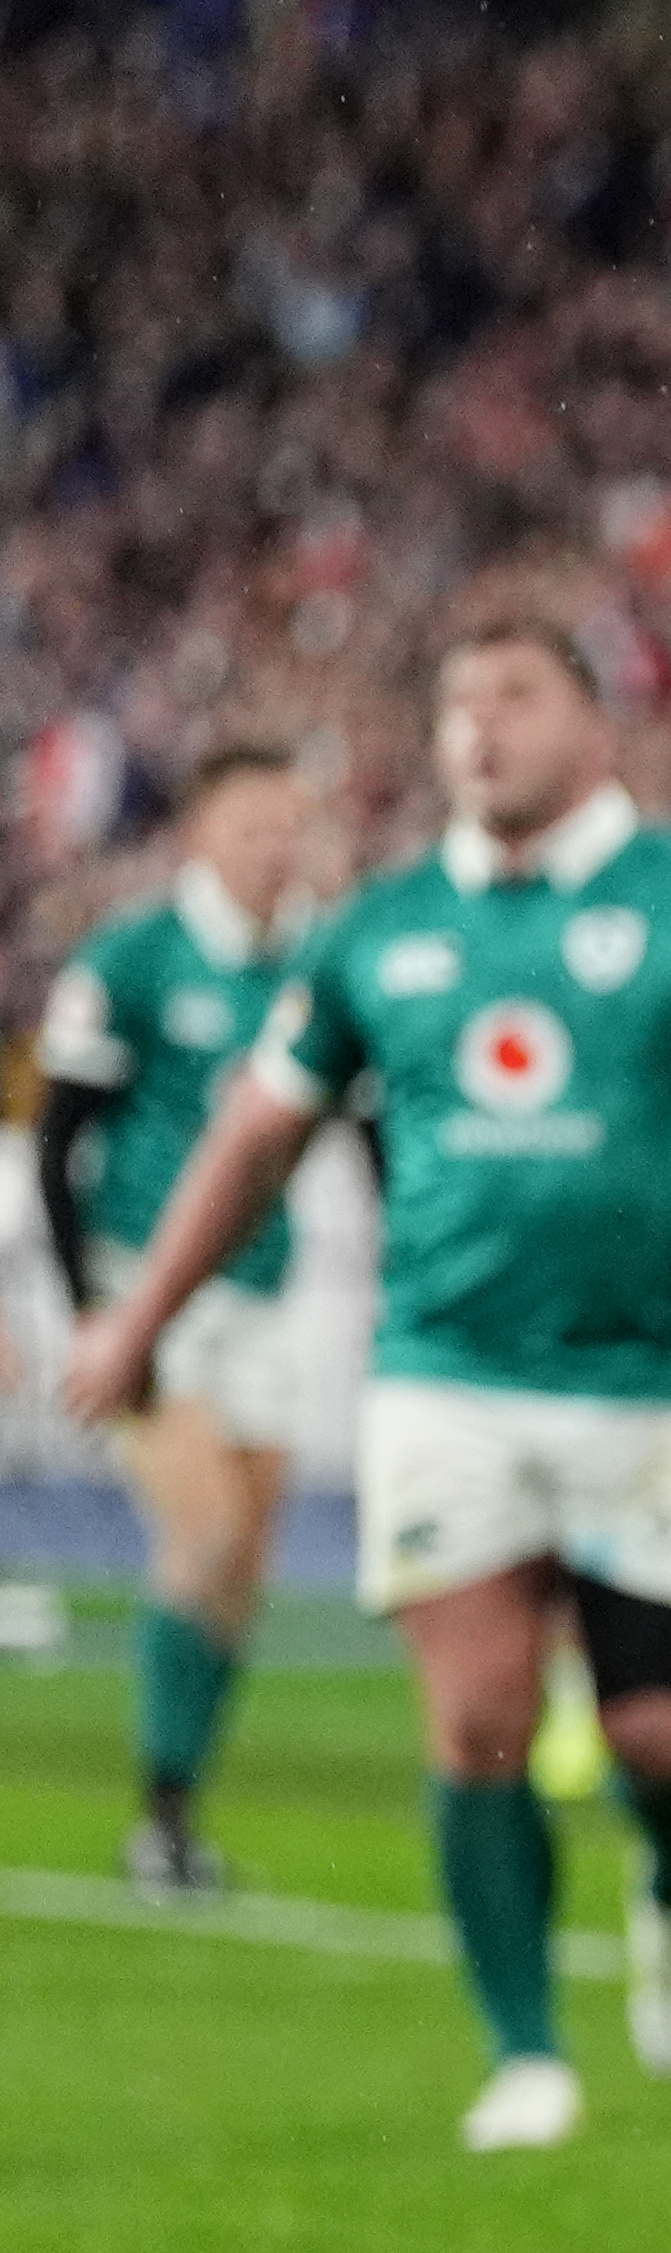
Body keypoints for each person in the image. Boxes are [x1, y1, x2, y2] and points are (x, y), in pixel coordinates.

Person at [64, 619, 671, 2151]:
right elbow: (254, 1138)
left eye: (515, 698)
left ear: (596, 725)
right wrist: (137, 1315)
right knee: (480, 1714)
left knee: (666, 1746)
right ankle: (524, 2052)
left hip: (646, 1379)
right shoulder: (380, 929)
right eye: (454, 704)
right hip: (445, 1378)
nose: (478, 729)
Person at [34, 746, 322, 1898]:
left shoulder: (318, 962)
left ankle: (178, 1815)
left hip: (263, 1294)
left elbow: (359, 1122)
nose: (277, 848)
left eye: (291, 827)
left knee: (244, 1569)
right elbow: (62, 1142)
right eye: (254, 825)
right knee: (199, 1540)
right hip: (147, 1295)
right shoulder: (135, 958)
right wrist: (94, 1312)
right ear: (203, 835)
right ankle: (156, 1821)